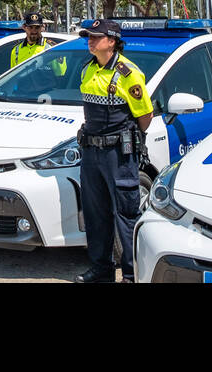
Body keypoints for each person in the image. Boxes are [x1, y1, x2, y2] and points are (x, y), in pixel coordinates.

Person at [74, 19, 152, 284]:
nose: (91, 40)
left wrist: (127, 138)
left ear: (112, 40)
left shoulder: (128, 73)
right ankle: (101, 269)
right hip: (91, 152)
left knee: (126, 214)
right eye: (89, 36)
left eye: (96, 37)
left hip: (117, 154)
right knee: (95, 214)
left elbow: (145, 115)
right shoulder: (88, 69)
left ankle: (131, 275)